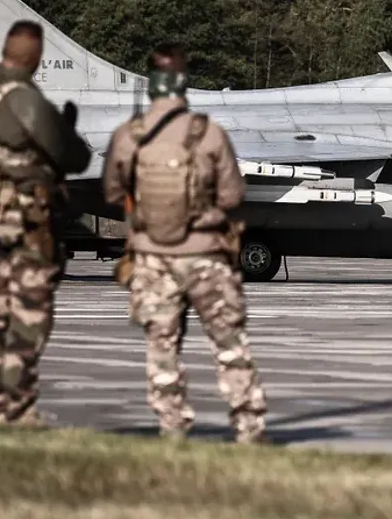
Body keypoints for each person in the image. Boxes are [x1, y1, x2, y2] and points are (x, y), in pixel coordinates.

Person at [101, 41, 268, 444]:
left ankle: (172, 428)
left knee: (162, 345)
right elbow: (232, 195)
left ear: (151, 83)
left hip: (153, 258)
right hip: (206, 255)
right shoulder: (208, 134)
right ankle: (249, 428)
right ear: (183, 82)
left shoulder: (129, 136)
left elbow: (110, 191)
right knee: (229, 342)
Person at [0, 19, 92, 426]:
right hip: (25, 219)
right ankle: (17, 409)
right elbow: (73, 156)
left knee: (0, 314)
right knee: (30, 314)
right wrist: (65, 131)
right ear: (34, 56)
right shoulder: (23, 98)